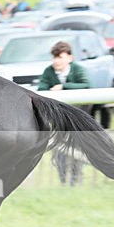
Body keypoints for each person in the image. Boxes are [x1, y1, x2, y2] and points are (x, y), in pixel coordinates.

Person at [37, 41, 92, 186]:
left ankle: (74, 182)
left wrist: (63, 87)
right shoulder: (49, 71)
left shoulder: (78, 69)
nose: (56, 61)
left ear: (69, 58)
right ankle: (63, 182)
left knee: (77, 151)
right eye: (54, 58)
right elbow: (41, 87)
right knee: (60, 152)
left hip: (77, 121)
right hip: (59, 121)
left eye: (60, 57)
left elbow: (87, 85)